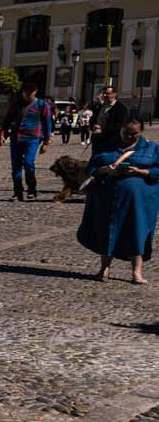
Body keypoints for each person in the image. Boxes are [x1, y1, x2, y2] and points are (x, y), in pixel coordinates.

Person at [78, 121, 158, 284]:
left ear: (141, 132)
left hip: (139, 201)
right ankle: (104, 269)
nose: (129, 136)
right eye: (126, 133)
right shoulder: (107, 147)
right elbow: (92, 168)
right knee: (107, 230)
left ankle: (137, 272)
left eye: (134, 133)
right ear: (121, 131)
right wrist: (108, 169)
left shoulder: (152, 148)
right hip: (107, 197)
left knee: (137, 230)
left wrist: (140, 171)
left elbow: (157, 170)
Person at [0, 83, 55, 201]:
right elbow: (6, 120)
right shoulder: (15, 105)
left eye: (31, 91)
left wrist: (46, 142)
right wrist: (2, 135)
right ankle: (17, 192)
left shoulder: (42, 105)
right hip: (16, 138)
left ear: (35, 91)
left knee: (29, 162)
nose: (28, 93)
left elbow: (48, 124)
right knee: (16, 167)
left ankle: (32, 190)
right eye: (26, 91)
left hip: (33, 138)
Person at [89, 85, 129, 158]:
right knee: (95, 160)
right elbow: (92, 119)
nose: (105, 95)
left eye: (108, 93)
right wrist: (93, 126)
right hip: (97, 140)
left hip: (111, 141)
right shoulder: (99, 106)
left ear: (114, 94)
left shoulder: (120, 108)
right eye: (104, 93)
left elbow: (119, 125)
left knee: (106, 162)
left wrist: (102, 130)